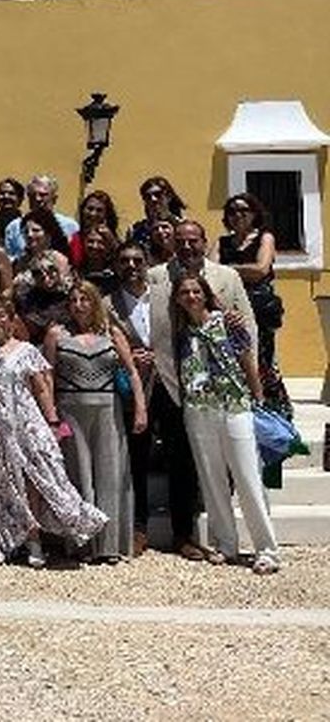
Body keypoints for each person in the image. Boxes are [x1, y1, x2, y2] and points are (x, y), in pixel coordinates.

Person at [0, 296, 107, 567]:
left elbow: (41, 389)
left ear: (11, 319)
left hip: (26, 423)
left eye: (1, 315)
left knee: (35, 481)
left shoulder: (26, 350)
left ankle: (34, 539)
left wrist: (52, 422)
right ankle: (2, 538)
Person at [148, 220, 256, 560]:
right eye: (180, 241)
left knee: (234, 466)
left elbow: (247, 326)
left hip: (226, 390)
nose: (186, 246)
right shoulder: (155, 277)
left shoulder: (227, 276)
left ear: (204, 241)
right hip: (174, 382)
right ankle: (184, 534)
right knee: (180, 461)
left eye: (193, 240)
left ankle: (239, 535)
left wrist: (254, 380)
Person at [172, 275, 280, 574]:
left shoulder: (229, 323)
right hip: (198, 410)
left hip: (234, 406)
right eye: (185, 292)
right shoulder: (182, 333)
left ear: (205, 294)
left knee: (247, 477)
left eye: (196, 291)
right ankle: (226, 544)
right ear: (178, 299)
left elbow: (248, 360)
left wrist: (258, 395)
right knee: (212, 480)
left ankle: (267, 549)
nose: (191, 296)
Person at [45, 281, 145, 562]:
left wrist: (140, 408)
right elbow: (47, 375)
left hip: (107, 409)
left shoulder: (112, 333)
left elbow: (132, 371)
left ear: (94, 302)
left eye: (84, 299)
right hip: (70, 410)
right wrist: (50, 414)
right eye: (73, 300)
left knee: (110, 474)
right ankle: (82, 544)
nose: (79, 305)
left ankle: (110, 545)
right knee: (77, 474)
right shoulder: (57, 334)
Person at [106, 242, 157, 555]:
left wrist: (158, 354)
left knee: (181, 456)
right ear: (116, 265)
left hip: (168, 386)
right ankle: (138, 527)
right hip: (130, 392)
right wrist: (125, 358)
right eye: (124, 261)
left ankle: (185, 532)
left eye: (138, 260)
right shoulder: (106, 304)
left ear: (147, 262)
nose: (132, 266)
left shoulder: (164, 297)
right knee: (135, 460)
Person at [217, 192, 282, 386]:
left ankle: (266, 400)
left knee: (262, 357)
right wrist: (244, 271)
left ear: (254, 213)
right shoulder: (222, 242)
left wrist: (227, 271)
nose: (237, 215)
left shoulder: (265, 237)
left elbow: (261, 269)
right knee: (233, 357)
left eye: (243, 210)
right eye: (232, 211)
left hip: (258, 308)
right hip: (229, 308)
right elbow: (210, 270)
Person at [3, 175, 79, 256]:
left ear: (54, 198)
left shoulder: (71, 226)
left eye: (43, 195)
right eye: (33, 195)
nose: (37, 199)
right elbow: (9, 259)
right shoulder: (14, 227)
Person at [127, 176, 186, 249]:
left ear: (169, 197)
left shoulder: (182, 226)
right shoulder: (136, 231)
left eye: (158, 194)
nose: (153, 199)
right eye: (147, 197)